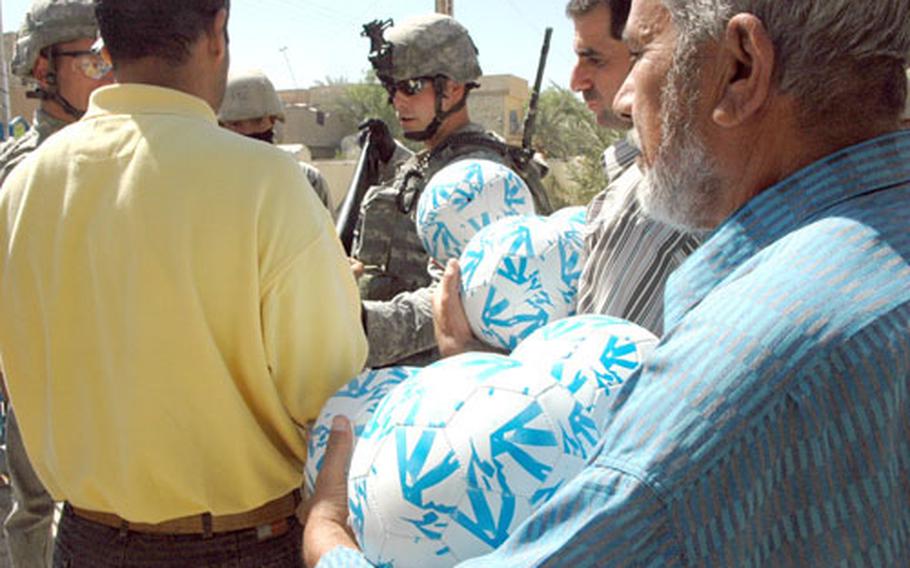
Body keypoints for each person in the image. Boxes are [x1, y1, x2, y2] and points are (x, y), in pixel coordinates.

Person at [305, 0, 910, 564]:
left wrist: (329, 537)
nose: (623, 100)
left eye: (643, 52)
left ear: (740, 68)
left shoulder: (732, 372)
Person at [0, 1, 367, 566]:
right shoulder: (268, 184)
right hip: (242, 545)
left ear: (107, 42)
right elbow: (330, 393)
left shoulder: (22, 189)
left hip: (82, 541)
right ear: (216, 31)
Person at [432, 0, 700, 358]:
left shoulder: (652, 208)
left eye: (596, 59)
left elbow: (596, 392)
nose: (576, 80)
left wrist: (466, 356)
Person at [352, 13, 552, 369]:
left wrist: (360, 327)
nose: (398, 101)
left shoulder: (478, 183)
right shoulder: (441, 159)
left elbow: (465, 298)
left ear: (454, 88)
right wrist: (391, 155)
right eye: (391, 88)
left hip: (439, 383)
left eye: (411, 87)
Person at [0, 1, 114, 566]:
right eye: (92, 62)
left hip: (116, 363)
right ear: (44, 70)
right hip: (41, 370)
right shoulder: (17, 168)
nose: (109, 74)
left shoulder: (126, 152)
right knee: (34, 507)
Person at [218, 68, 335, 213]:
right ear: (222, 127)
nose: (247, 130)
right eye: (236, 124)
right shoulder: (212, 184)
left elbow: (327, 233)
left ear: (272, 120)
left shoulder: (308, 180)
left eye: (257, 121)